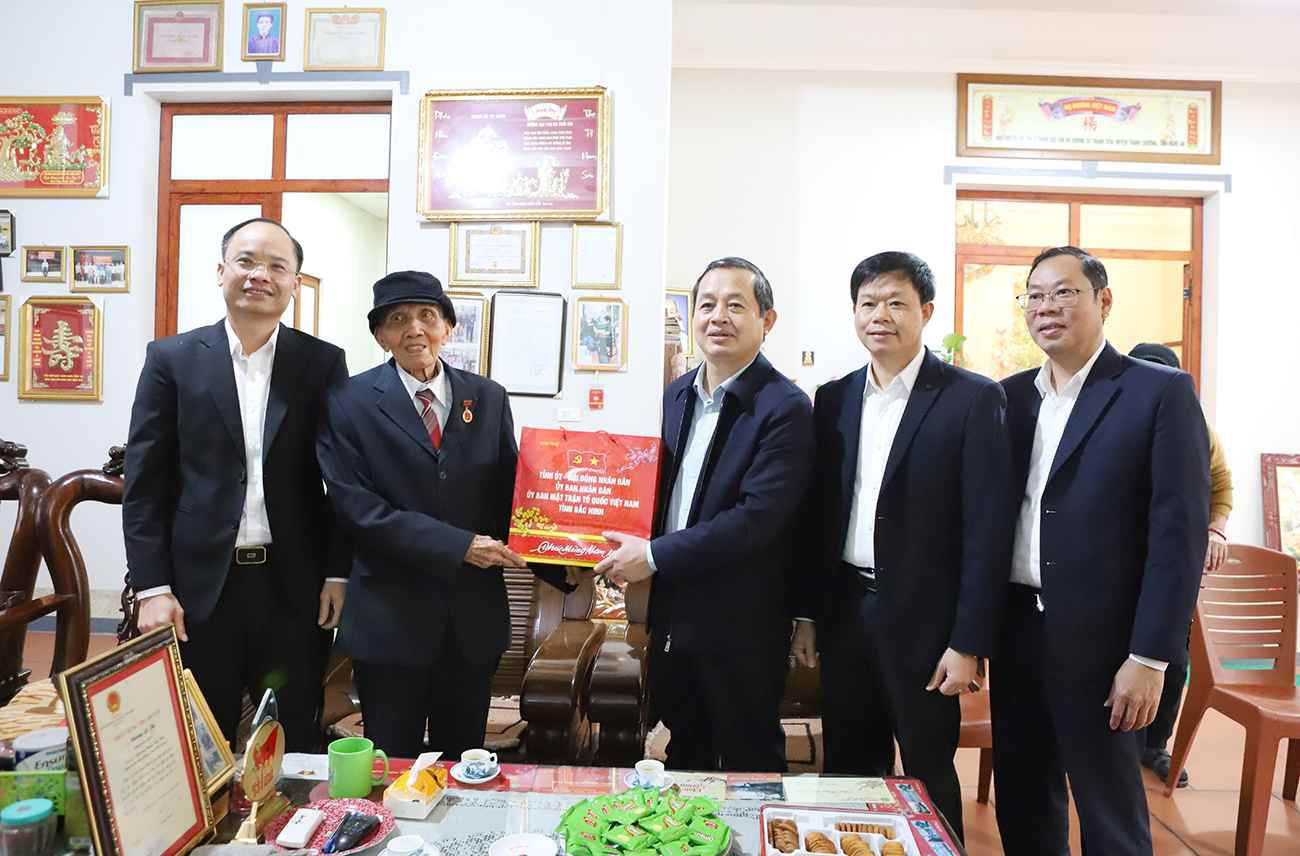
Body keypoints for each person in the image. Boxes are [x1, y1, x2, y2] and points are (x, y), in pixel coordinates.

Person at [993, 246, 1209, 855]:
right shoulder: (1010, 397)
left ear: (1103, 300)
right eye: (1034, 296)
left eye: (1064, 292)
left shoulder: (1157, 393)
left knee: (1109, 808)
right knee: (1026, 800)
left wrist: (1151, 657)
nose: (1046, 307)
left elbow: (1178, 536)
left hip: (1107, 641)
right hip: (1016, 630)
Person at [792, 251, 1012, 842]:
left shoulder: (971, 398)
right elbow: (821, 516)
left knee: (927, 769)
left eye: (896, 303)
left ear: (926, 311)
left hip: (926, 622)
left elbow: (989, 532)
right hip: (845, 609)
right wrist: (809, 613)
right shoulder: (833, 398)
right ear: (854, 313)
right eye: (868, 304)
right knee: (848, 764)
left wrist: (968, 642)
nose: (880, 316)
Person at [316, 271, 569, 758]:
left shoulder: (488, 398)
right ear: (380, 336)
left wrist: (568, 550)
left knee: (465, 759)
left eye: (427, 316)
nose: (414, 329)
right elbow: (357, 507)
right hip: (390, 617)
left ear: (449, 328)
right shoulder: (347, 402)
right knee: (393, 759)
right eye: (398, 319)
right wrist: (460, 547)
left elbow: (510, 496)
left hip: (470, 620)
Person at [123, 217, 349, 752]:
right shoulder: (171, 360)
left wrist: (338, 573)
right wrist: (153, 588)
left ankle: (294, 834)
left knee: (294, 735)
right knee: (203, 738)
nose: (260, 275)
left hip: (293, 587)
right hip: (200, 588)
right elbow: (145, 485)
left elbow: (342, 482)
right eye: (246, 261)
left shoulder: (321, 363)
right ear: (222, 271)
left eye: (277, 266)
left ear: (295, 281)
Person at [594, 257, 814, 772]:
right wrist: (585, 537)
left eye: (736, 305)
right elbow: (662, 493)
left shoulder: (784, 407)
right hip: (675, 610)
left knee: (748, 754)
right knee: (684, 746)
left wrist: (650, 555)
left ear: (767, 321)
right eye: (707, 304)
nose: (719, 317)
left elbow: (757, 518)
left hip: (742, 617)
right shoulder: (677, 394)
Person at [1128, 341, 1234, 788]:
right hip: (1121, 560)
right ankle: (1114, 744)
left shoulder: (1195, 425)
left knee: (1169, 655)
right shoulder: (1117, 417)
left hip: (1174, 564)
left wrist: (1216, 530)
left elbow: (1222, 483)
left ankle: (1155, 745)